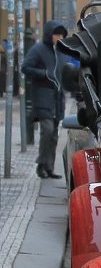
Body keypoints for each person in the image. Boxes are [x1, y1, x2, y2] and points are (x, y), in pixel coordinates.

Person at [22, 21, 68, 179]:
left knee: (54, 134)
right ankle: (41, 164)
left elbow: (63, 73)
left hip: (57, 99)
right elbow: (25, 67)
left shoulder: (61, 51)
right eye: (57, 34)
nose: (60, 37)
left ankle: (48, 167)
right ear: (50, 35)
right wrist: (44, 74)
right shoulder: (38, 49)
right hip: (42, 97)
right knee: (47, 130)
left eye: (62, 35)